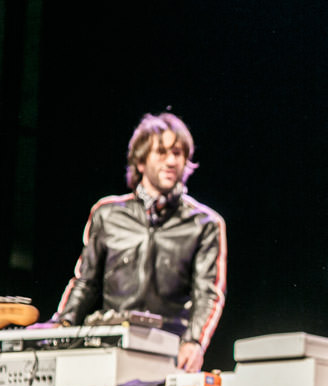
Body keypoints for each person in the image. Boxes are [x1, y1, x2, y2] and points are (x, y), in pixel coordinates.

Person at [46, 112, 226, 372]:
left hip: (169, 351)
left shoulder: (206, 223)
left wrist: (195, 342)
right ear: (140, 162)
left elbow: (208, 293)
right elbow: (86, 282)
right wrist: (62, 323)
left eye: (177, 153)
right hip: (111, 347)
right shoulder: (107, 213)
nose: (171, 161)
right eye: (161, 152)